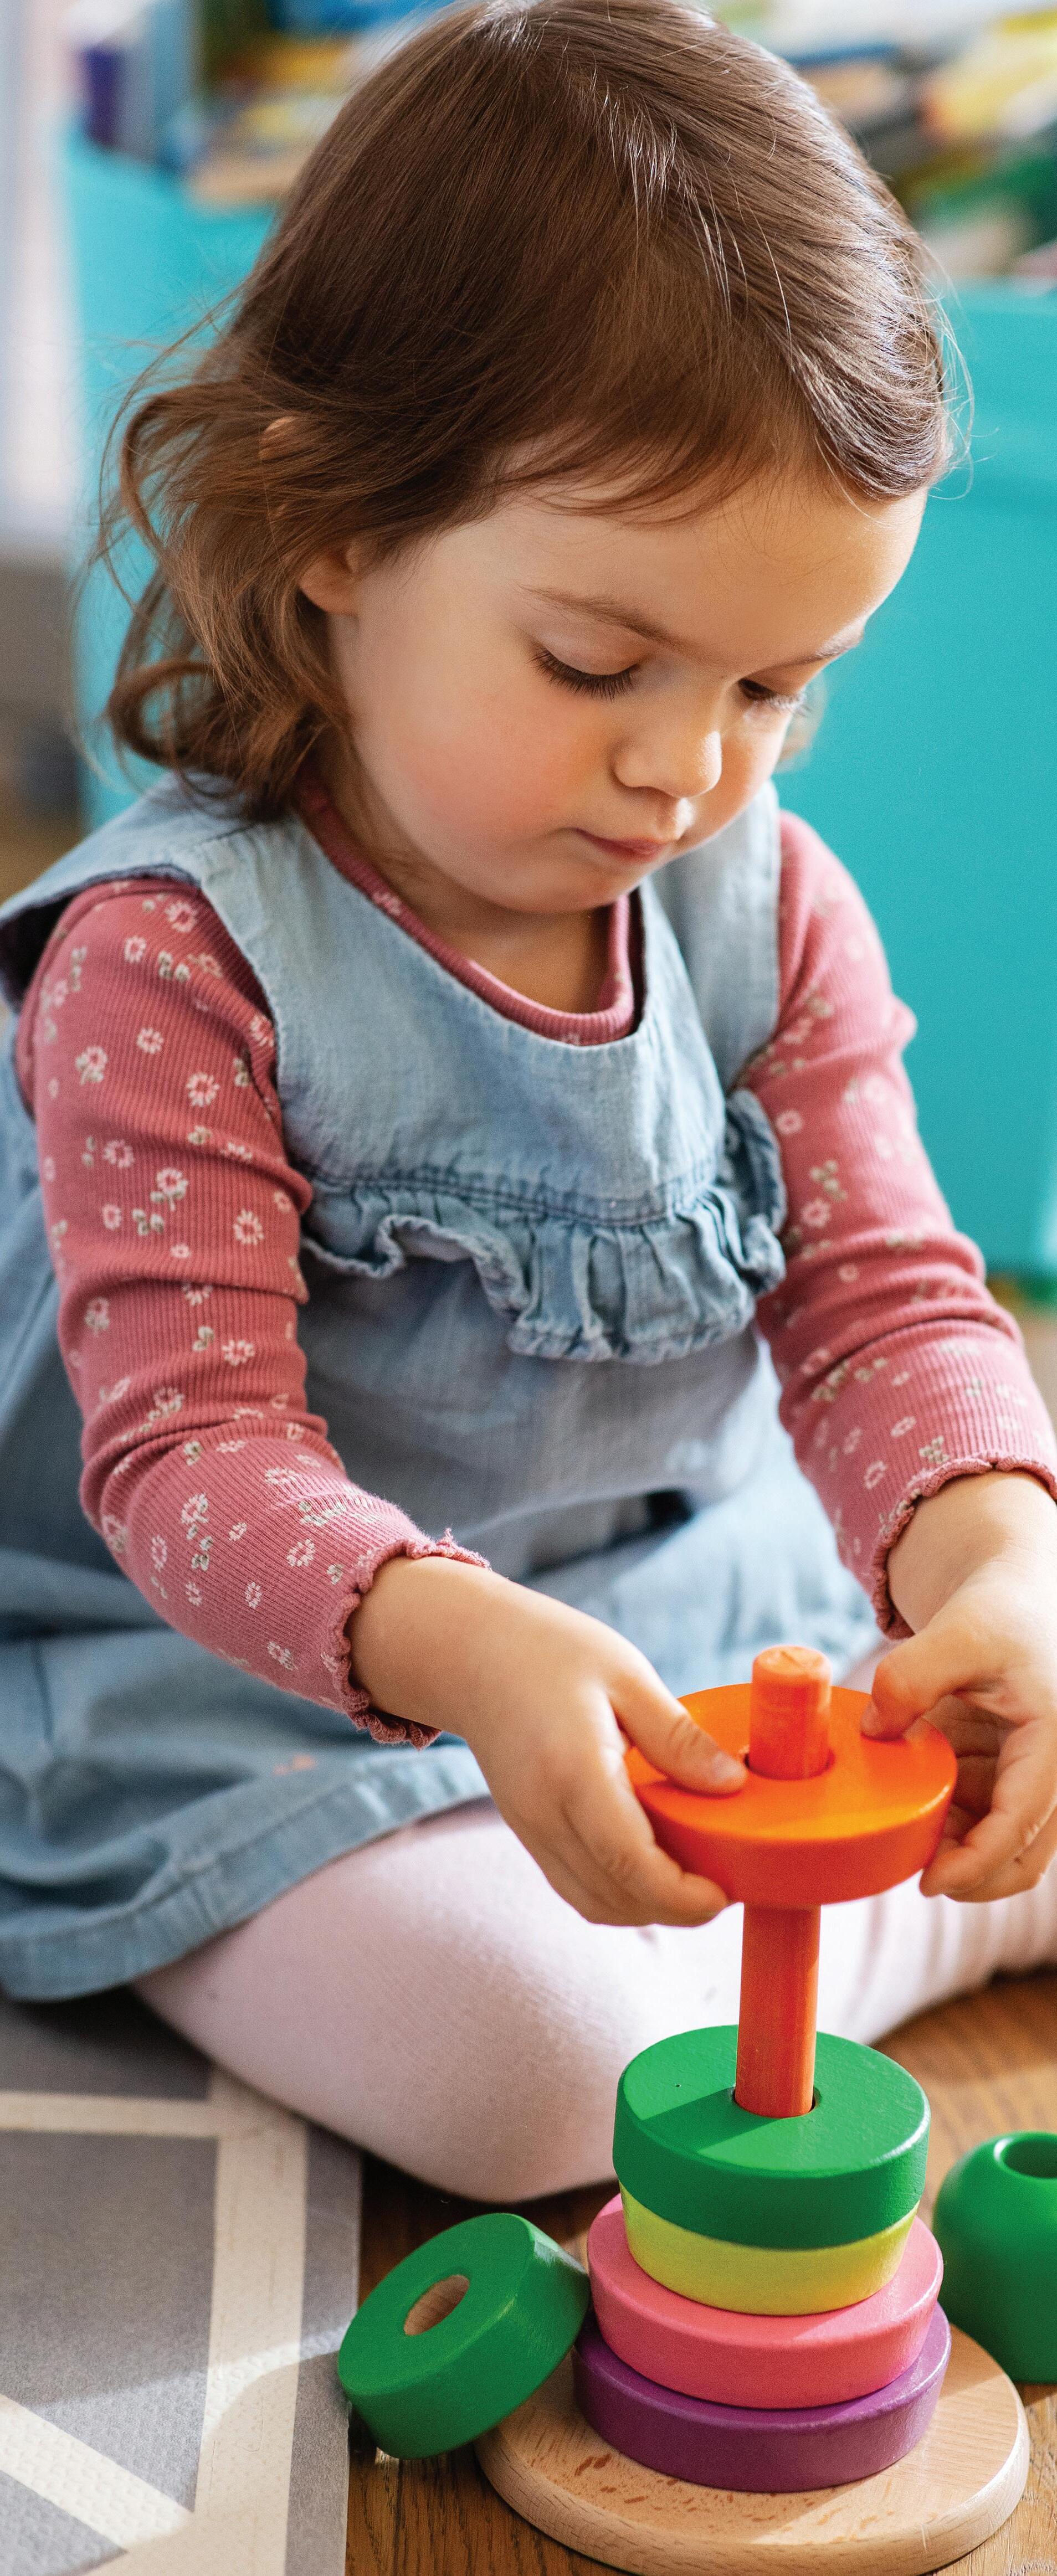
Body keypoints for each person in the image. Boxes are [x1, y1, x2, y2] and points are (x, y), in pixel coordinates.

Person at [3, 0, 1057, 2203]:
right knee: (542, 2072)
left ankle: (783, 1929)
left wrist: (994, 1560)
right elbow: (189, 1458)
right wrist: (461, 1649)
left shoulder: (766, 902)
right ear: (333, 526)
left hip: (706, 1609)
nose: (688, 766)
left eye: (777, 685)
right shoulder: (172, 961)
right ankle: (802, 1945)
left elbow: (883, 1301)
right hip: (263, 1692)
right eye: (599, 663)